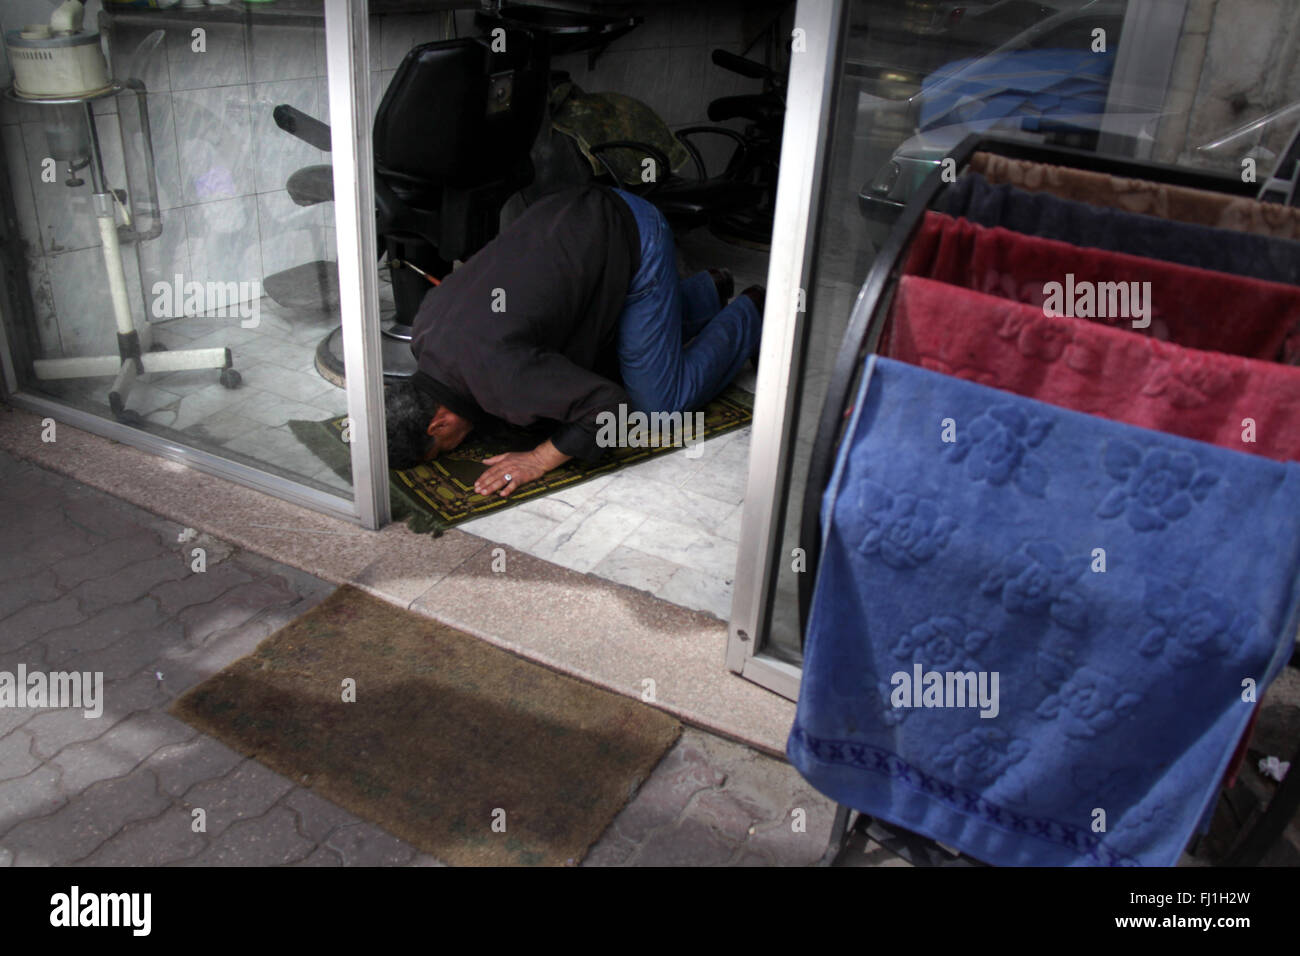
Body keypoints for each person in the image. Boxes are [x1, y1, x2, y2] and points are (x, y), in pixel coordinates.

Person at [384, 183, 764, 497]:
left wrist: (537, 460)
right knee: (605, 360)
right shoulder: (425, 330)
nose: (454, 451)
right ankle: (708, 292)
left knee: (658, 405)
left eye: (441, 452)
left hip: (631, 231)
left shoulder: (500, 374)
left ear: (439, 425)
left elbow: (610, 408)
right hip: (569, 214)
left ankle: (752, 311)